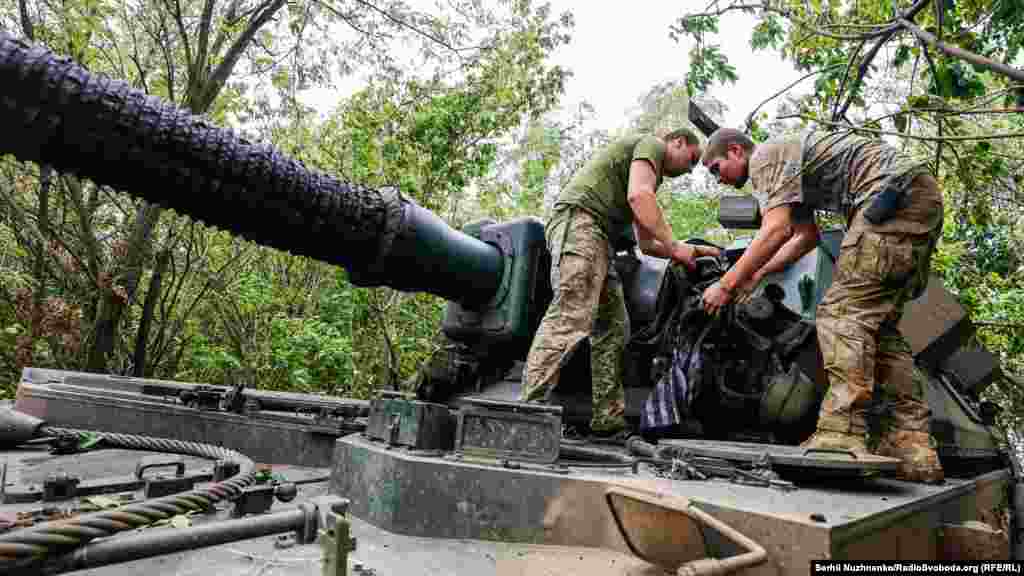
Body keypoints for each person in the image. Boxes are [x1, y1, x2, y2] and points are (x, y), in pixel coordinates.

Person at [699, 127, 945, 484]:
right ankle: (912, 444)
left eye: (716, 168)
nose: (719, 179)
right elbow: (804, 236)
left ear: (736, 151)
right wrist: (758, 275)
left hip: (890, 199)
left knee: (841, 314)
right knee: (880, 329)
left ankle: (840, 434)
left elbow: (774, 230)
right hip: (917, 198)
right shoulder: (792, 167)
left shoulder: (766, 157)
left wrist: (726, 284)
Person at [521, 128, 719, 437]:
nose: (689, 170)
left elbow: (649, 244)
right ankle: (527, 409)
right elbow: (639, 197)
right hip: (582, 223)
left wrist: (694, 250)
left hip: (600, 239)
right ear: (677, 142)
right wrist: (676, 247)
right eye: (691, 159)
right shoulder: (651, 144)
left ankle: (607, 419)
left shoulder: (648, 176)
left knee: (613, 327)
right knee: (572, 313)